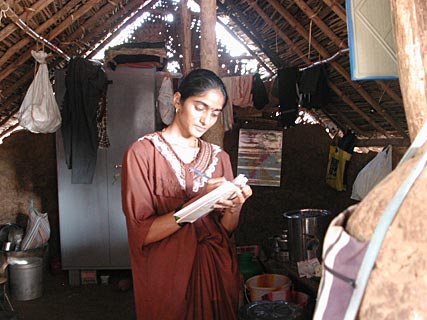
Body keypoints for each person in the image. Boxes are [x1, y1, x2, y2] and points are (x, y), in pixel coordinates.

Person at [121, 68, 253, 320]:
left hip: (215, 270)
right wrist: (199, 201)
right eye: (199, 107)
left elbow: (225, 231)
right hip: (168, 275)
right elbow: (142, 232)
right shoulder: (143, 154)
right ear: (178, 100)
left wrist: (235, 207)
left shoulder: (220, 158)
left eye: (214, 113)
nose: (206, 120)